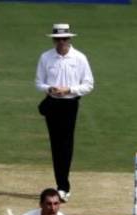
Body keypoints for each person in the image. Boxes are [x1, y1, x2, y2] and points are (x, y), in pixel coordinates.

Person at [35, 23, 94, 202]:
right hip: (52, 103)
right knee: (55, 144)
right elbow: (39, 83)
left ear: (69, 39)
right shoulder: (46, 57)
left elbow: (88, 85)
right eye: (58, 39)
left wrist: (68, 90)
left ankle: (63, 187)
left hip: (69, 104)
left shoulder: (79, 58)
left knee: (66, 145)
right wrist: (51, 89)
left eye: (64, 39)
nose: (61, 42)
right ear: (53, 40)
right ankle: (61, 184)